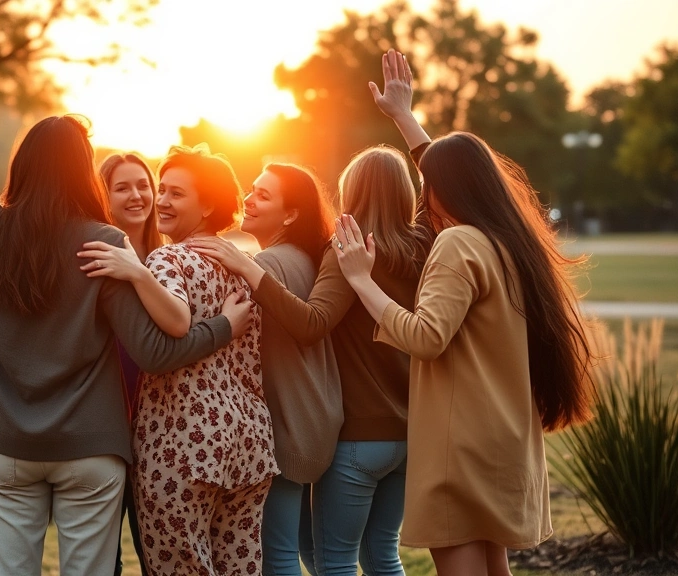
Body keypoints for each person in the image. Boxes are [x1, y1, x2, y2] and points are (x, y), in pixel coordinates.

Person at [0, 19, 254, 576]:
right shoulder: (103, 244)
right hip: (91, 450)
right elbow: (154, 351)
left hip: (5, 449)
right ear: (87, 173)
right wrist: (222, 326)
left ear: (20, 165)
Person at [334, 49, 594, 576]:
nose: (423, 195)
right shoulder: (509, 242)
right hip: (499, 436)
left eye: (430, 186)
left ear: (443, 190)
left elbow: (426, 336)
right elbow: (451, 172)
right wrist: (405, 118)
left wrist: (360, 279)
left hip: (460, 443)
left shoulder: (457, 244)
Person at [192, 147, 428, 575]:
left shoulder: (349, 254)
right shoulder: (422, 248)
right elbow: (442, 182)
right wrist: (405, 121)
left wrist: (249, 269)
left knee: (332, 563)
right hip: (409, 433)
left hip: (359, 435)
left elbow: (312, 323)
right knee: (382, 555)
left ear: (352, 192)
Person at [78, 143, 279, 576]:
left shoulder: (166, 258)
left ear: (207, 204)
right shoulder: (243, 264)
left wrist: (137, 271)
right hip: (249, 443)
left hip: (183, 447)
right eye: (162, 190)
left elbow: (175, 322)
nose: (161, 201)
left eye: (176, 193)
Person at [189, 163, 341, 575]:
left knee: (276, 558)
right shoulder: (307, 259)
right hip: (315, 419)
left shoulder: (266, 266)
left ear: (291, 214)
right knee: (308, 554)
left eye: (264, 195)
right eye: (252, 189)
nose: (250, 199)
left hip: (284, 427)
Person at [98, 152, 162, 576]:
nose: (137, 195)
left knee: (157, 553)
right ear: (103, 196)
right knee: (104, 562)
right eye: (122, 187)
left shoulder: (168, 258)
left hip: (159, 431)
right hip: (104, 426)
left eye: (143, 184)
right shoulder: (95, 254)